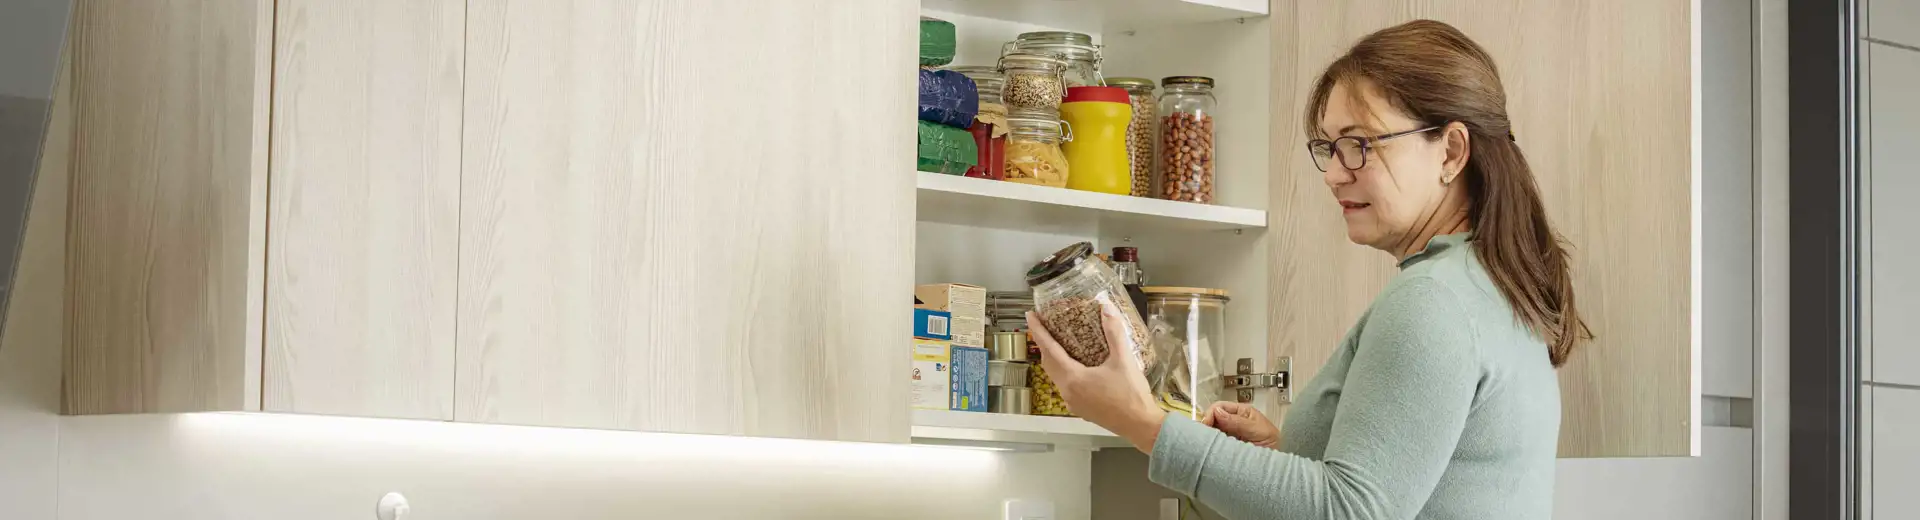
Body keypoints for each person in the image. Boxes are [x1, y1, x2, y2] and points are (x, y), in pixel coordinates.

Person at [1026, 19, 1590, 520]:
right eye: (1329, 148)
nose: (1335, 173)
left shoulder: (1434, 301)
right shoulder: (1486, 284)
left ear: (1450, 152)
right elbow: (1403, 487)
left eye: (1360, 145)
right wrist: (1284, 453)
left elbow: (1348, 511)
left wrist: (1141, 422)